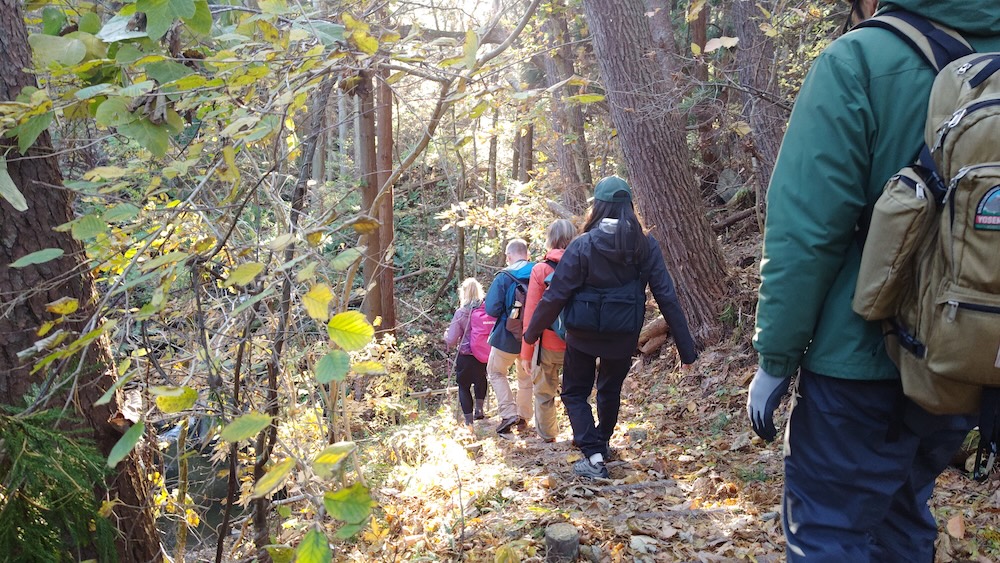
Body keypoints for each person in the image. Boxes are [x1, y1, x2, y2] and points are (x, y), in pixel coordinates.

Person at [747, 1, 1000, 560]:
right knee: (903, 515)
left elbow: (806, 232)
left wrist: (775, 358)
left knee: (827, 530)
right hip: (964, 359)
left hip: (857, 364)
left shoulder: (860, 59)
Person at [525, 176, 697, 479]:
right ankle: (601, 442)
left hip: (582, 335)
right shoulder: (645, 245)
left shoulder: (582, 245)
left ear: (598, 208)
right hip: (623, 334)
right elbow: (666, 296)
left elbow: (556, 295)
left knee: (575, 393)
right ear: (630, 207)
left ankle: (592, 454)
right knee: (609, 389)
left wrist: (530, 335)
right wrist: (687, 351)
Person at [520, 219, 576, 443]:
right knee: (577, 392)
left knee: (544, 393)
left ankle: (548, 437)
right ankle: (580, 433)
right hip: (578, 342)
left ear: (550, 240)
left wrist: (526, 352)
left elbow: (532, 314)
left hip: (548, 344)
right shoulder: (583, 265)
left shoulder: (540, 270)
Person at [484, 239, 535, 434]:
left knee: (496, 372)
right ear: (527, 254)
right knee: (526, 377)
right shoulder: (539, 271)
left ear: (509, 256)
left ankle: (508, 413)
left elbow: (491, 309)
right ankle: (523, 418)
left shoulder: (504, 277)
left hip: (506, 337)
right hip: (532, 337)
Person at [443, 278, 489, 426]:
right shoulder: (486, 309)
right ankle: (480, 409)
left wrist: (445, 335)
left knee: (464, 385)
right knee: (481, 380)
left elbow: (451, 340)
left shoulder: (461, 313)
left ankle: (469, 422)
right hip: (482, 353)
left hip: (466, 355)